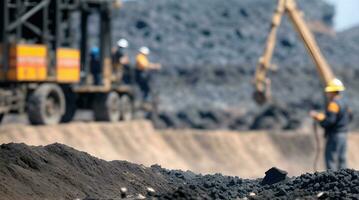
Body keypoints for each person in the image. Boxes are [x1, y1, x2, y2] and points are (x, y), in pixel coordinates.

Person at [310, 78, 351, 170]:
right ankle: (344, 179)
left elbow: (330, 121)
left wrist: (319, 118)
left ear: (333, 92)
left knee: (331, 158)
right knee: (342, 158)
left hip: (335, 135)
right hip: (343, 134)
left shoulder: (333, 104)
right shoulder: (345, 103)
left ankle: (331, 180)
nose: (327, 94)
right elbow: (350, 116)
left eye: (329, 92)